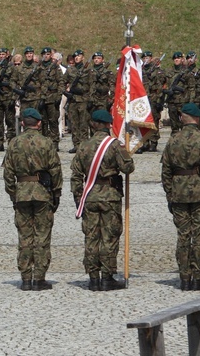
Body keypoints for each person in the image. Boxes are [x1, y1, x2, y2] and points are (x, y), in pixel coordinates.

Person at [71, 110, 134, 291]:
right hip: (110, 196)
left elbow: (76, 175)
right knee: (109, 236)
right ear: (108, 125)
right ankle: (107, 277)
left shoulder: (83, 146)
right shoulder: (114, 145)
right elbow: (128, 168)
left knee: (91, 237)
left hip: (89, 196)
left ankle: (93, 278)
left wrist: (78, 198)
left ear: (93, 124)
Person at [161, 103, 200, 291]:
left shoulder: (173, 140)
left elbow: (166, 171)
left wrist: (170, 194)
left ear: (183, 118)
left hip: (178, 194)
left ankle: (184, 277)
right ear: (197, 119)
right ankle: (198, 277)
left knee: (183, 236)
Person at [3, 108, 63, 291]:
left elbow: (8, 173)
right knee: (42, 236)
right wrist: (56, 194)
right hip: (42, 193)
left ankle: (26, 278)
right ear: (38, 123)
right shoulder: (46, 142)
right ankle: (39, 278)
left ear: (22, 123)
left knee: (25, 236)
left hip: (22, 193)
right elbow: (55, 170)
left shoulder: (14, 143)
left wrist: (13, 194)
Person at [64, 49, 91, 153]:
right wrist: (65, 92)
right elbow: (62, 81)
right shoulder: (70, 70)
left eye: (79, 56)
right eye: (75, 56)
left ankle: (84, 145)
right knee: (74, 124)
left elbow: (91, 84)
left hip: (83, 99)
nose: (76, 58)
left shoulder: (88, 70)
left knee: (83, 124)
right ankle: (76, 144)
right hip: (73, 100)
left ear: (83, 57)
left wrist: (89, 98)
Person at [164, 52, 193, 134]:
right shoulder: (168, 71)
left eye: (178, 58)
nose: (176, 60)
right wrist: (166, 91)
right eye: (175, 59)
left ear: (182, 59)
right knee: (174, 125)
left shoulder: (186, 72)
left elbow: (191, 87)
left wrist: (191, 101)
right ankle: (174, 142)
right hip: (172, 101)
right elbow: (163, 84)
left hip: (183, 101)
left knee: (186, 123)